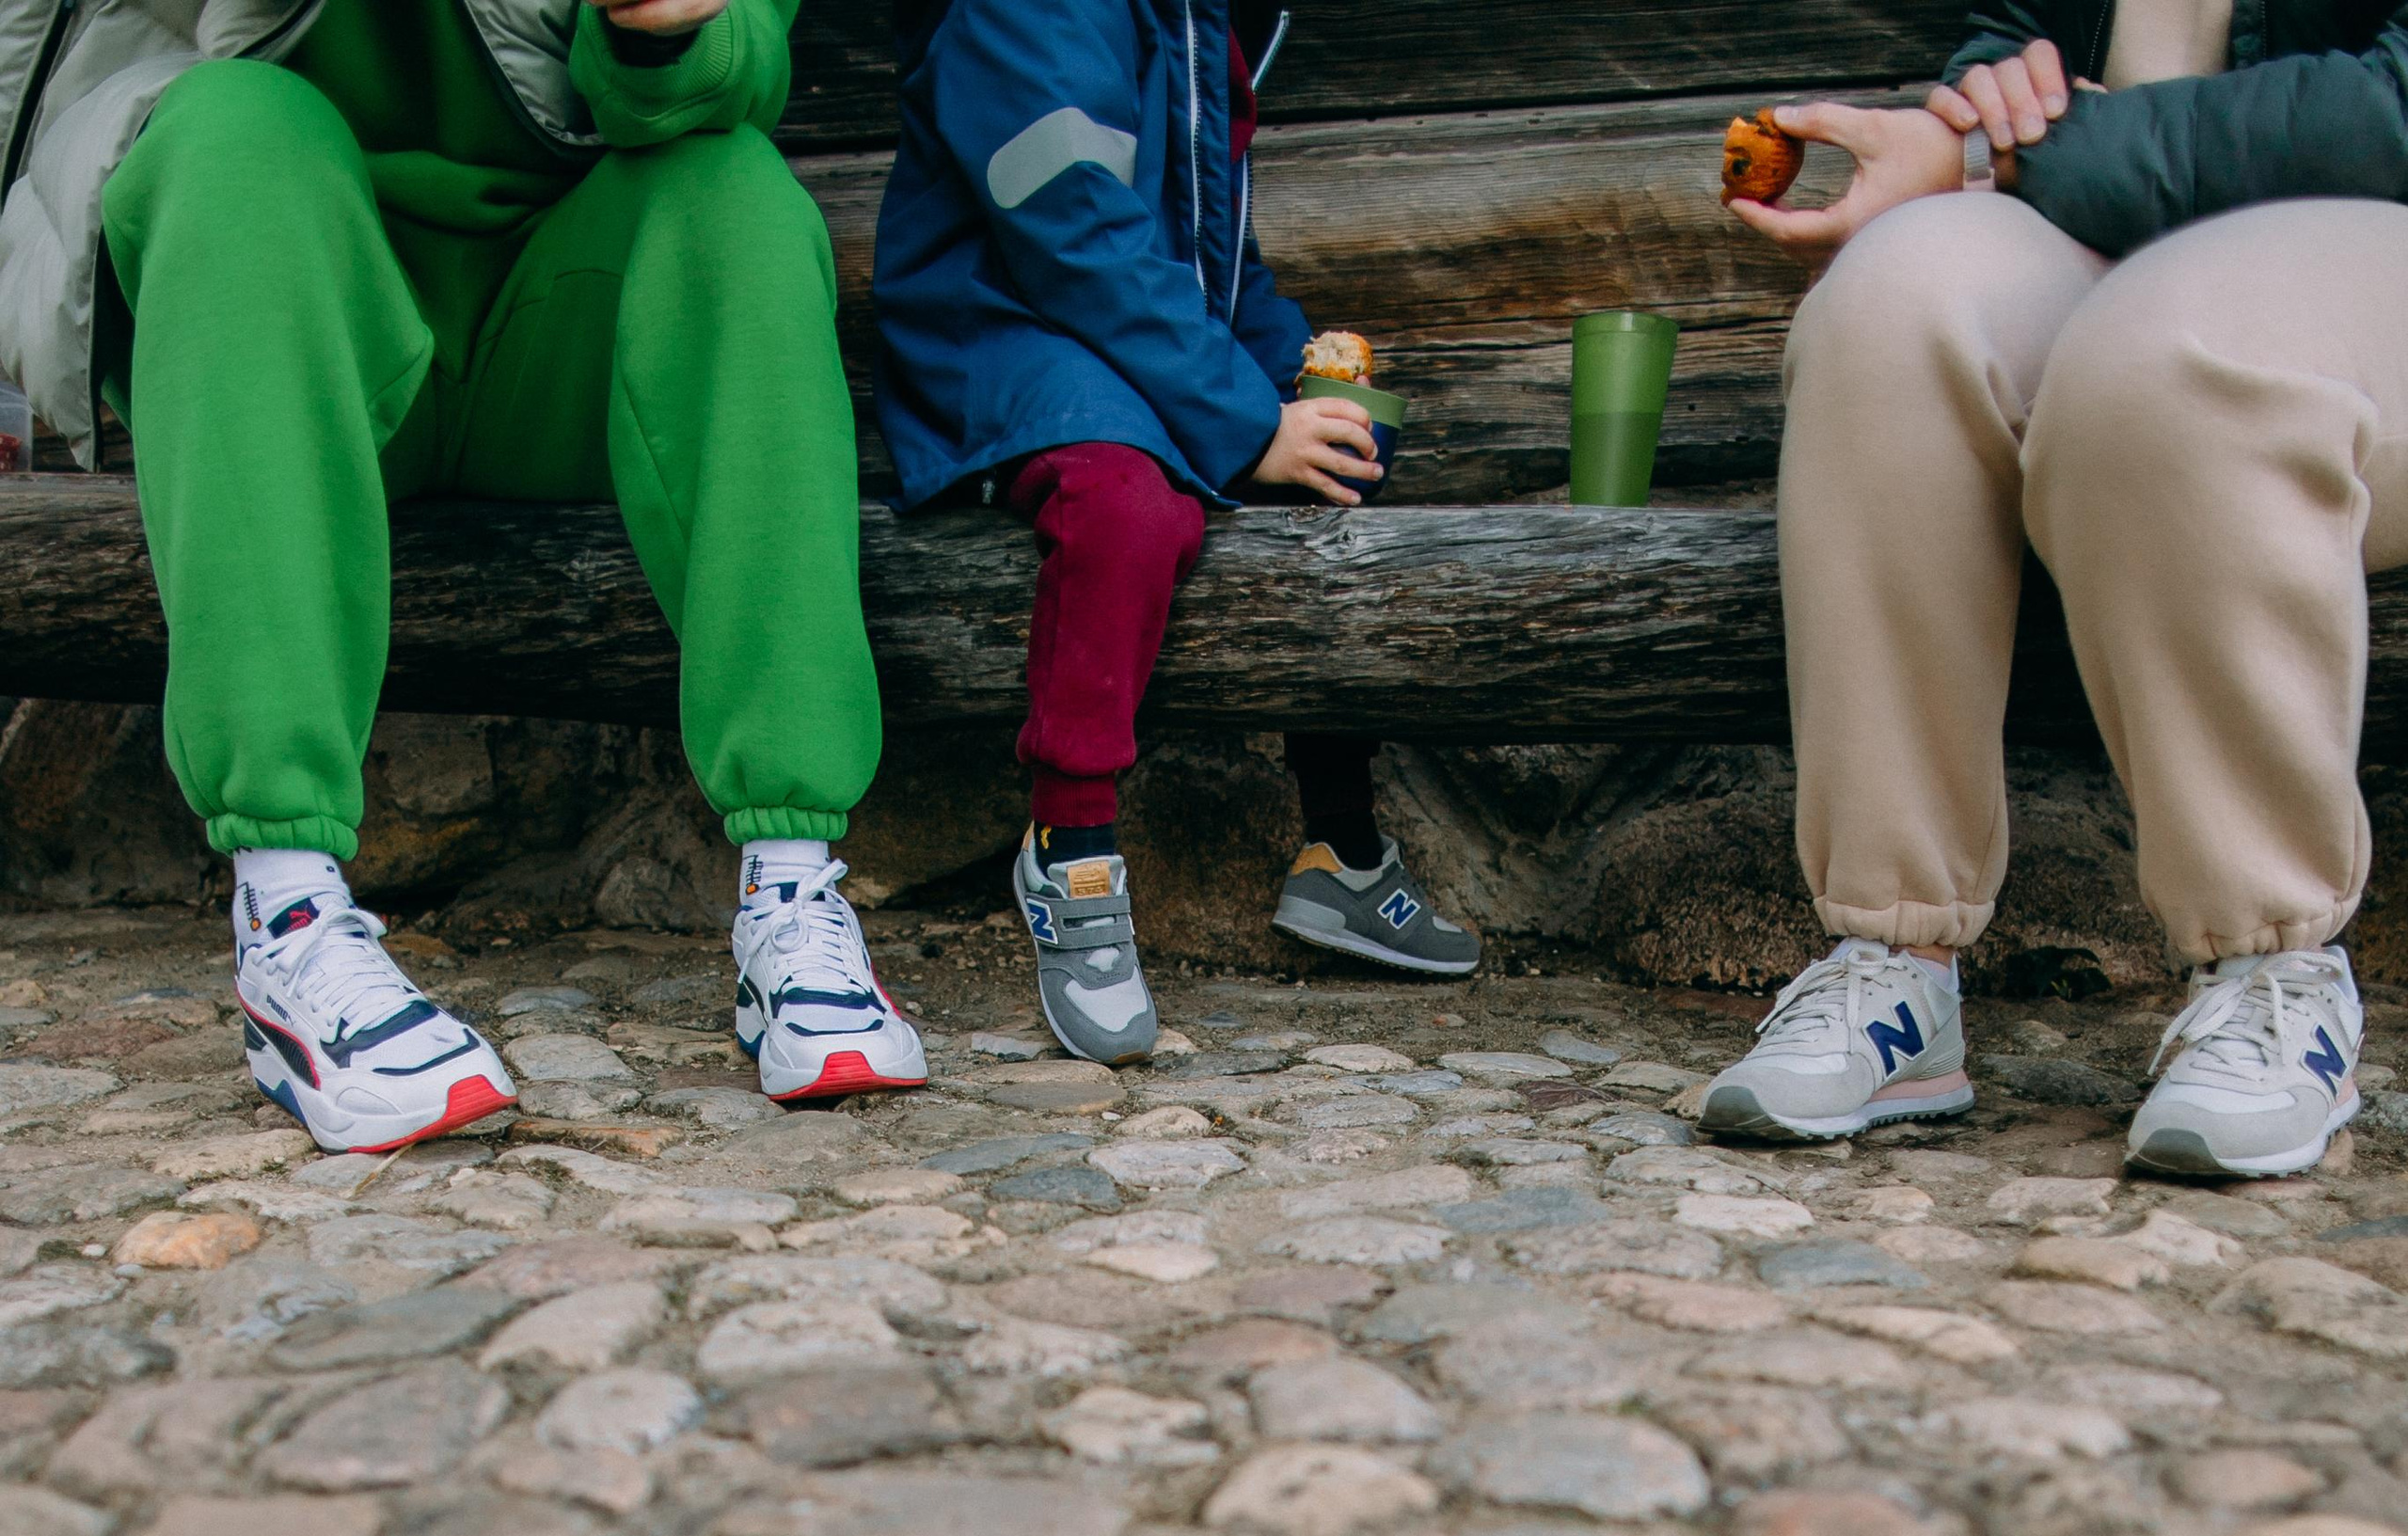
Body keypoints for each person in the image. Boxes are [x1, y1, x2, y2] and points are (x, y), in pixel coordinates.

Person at [0, 0, 924, 1151]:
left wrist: (660, 36)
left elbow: (734, 79)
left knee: (733, 191)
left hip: (549, 319)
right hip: (285, 298)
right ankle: (285, 911)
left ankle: (791, 888)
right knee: (234, 135)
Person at [1701, 4, 2408, 1181]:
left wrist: (2021, 150)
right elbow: (2019, 28)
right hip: (2114, 212)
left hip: (2368, 234)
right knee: (1890, 302)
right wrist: (1997, 93)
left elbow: (2387, 114)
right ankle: (1895, 958)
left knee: (2170, 352)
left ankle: (2275, 967)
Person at [871, 0, 1478, 1065]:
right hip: (1002, 333)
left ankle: (1339, 852)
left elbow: (1214, 259)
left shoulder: (1198, 22)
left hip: (1125, 336)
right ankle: (1073, 850)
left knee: (1335, 460)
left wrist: (1297, 377)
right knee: (1126, 509)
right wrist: (1248, 424)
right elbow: (1070, 233)